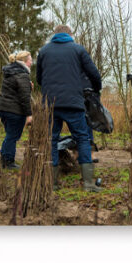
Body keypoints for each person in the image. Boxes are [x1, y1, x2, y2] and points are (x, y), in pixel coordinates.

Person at [36, 25, 103, 192]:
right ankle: (88, 183)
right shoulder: (78, 50)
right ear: (70, 35)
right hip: (73, 102)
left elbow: (38, 78)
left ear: (54, 35)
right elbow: (93, 73)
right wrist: (96, 88)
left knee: (51, 139)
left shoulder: (44, 51)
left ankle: (53, 183)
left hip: (50, 104)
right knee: (82, 138)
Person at [0, 51, 33, 169]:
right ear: (25, 61)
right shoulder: (22, 75)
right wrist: (29, 115)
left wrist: (29, 88)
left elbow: (15, 92)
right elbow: (24, 97)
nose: (32, 62)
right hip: (14, 110)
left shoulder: (11, 72)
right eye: (31, 59)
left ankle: (4, 157)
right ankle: (8, 162)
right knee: (12, 136)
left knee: (9, 135)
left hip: (3, 108)